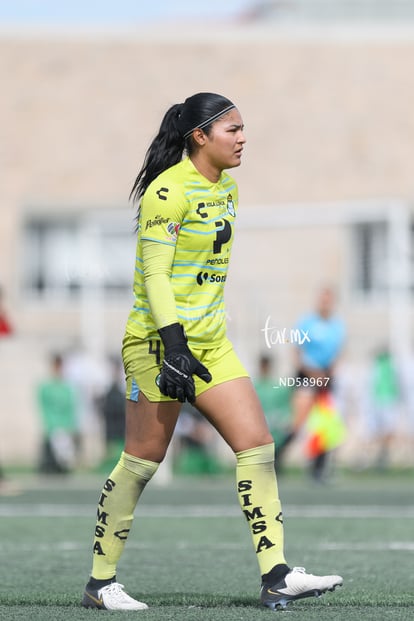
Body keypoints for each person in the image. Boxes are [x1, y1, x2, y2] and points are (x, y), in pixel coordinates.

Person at [81, 92, 343, 611]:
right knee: (141, 461)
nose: (243, 138)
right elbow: (155, 275)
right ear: (199, 137)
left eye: (244, 129)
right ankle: (99, 583)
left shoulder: (229, 190)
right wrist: (174, 345)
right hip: (158, 344)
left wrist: (196, 341)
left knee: (258, 444)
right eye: (233, 130)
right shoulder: (166, 193)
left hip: (212, 345)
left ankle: (277, 574)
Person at [291, 286, 346, 482]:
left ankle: (319, 469)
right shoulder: (307, 322)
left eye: (329, 299)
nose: (325, 303)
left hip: (326, 379)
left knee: (325, 424)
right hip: (307, 375)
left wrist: (326, 374)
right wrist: (312, 373)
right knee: (298, 423)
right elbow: (296, 352)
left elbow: (339, 353)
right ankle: (274, 461)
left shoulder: (337, 325)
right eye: (323, 299)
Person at [36, 353, 79, 474]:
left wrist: (70, 426)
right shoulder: (45, 387)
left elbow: (70, 408)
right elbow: (44, 407)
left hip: (64, 426)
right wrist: (50, 425)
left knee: (64, 457)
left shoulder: (67, 387)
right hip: (52, 426)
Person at [253, 354, 293, 472]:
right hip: (259, 430)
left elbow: (286, 407)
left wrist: (285, 422)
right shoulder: (255, 386)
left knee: (275, 466)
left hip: (276, 431)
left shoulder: (278, 387)